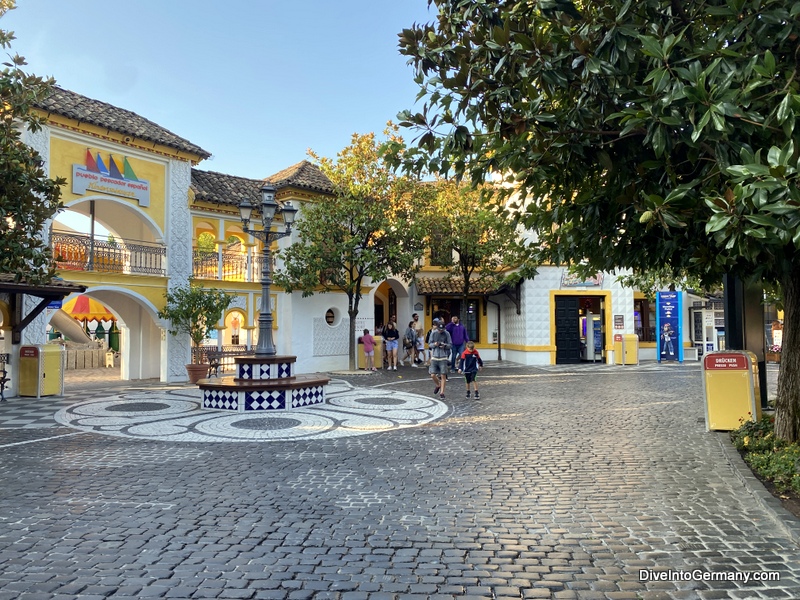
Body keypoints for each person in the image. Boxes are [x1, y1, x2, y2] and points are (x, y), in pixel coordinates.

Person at [428, 319, 452, 399]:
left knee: (443, 375)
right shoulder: (433, 333)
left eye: (442, 330)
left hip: (443, 356)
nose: (440, 331)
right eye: (439, 329)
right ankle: (438, 385)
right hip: (434, 356)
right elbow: (430, 344)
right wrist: (435, 344)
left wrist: (444, 346)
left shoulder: (447, 334)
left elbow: (450, 345)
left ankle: (442, 393)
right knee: (432, 374)